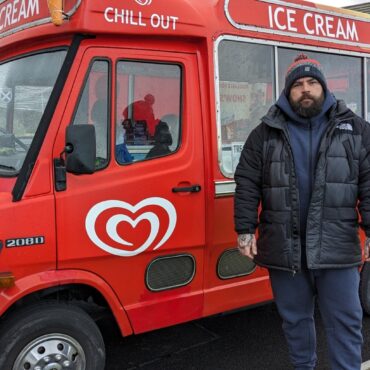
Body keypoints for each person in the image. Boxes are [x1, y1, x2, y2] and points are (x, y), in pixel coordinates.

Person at [234, 53, 370, 370]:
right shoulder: (264, 133)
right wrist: (244, 229)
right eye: (298, 84)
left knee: (345, 325)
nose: (305, 89)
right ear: (287, 91)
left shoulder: (355, 130)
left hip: (336, 247)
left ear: (323, 86)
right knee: (295, 325)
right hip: (285, 248)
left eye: (311, 82)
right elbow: (247, 182)